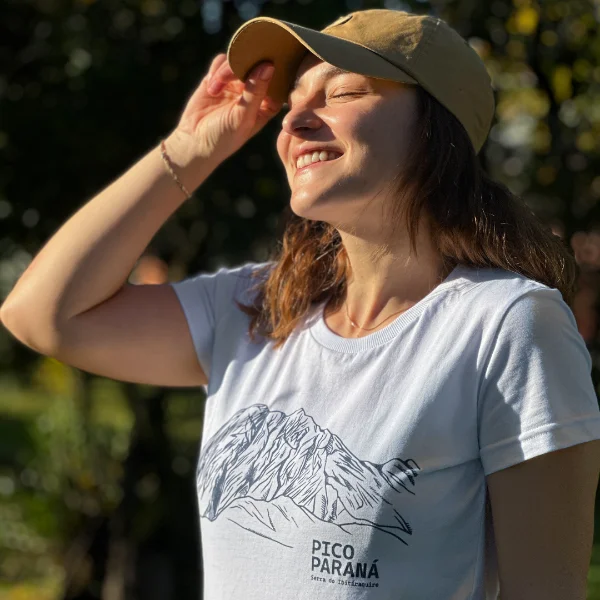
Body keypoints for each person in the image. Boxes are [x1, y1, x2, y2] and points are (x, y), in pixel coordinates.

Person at [1, 7, 600, 600]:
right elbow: (41, 315)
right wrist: (190, 149)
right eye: (291, 105)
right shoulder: (258, 308)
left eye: (340, 92)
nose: (296, 124)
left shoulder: (509, 324)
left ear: (433, 126)